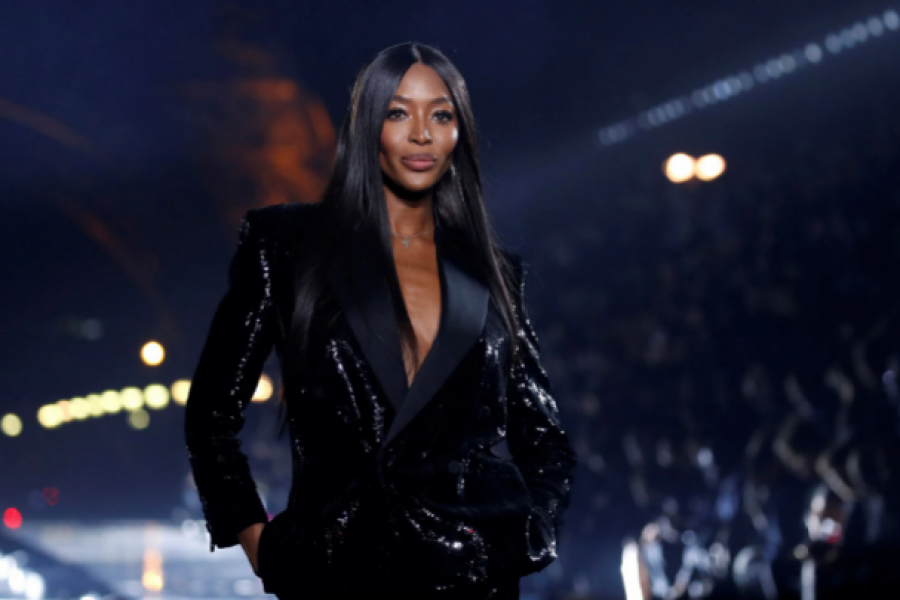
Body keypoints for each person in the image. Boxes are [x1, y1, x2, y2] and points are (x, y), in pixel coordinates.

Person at [184, 41, 578, 599]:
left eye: (440, 115)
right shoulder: (288, 247)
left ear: (458, 132)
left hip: (473, 578)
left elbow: (546, 439)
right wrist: (260, 544)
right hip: (335, 573)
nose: (422, 134)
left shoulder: (494, 274)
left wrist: (527, 536)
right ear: (368, 126)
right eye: (398, 112)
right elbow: (210, 414)